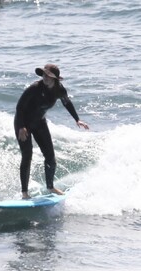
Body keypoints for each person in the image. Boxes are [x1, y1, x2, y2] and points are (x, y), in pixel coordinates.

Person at [14, 64, 89, 199]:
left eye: (49, 76)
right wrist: (21, 127)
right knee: (27, 155)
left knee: (50, 157)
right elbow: (19, 108)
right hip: (23, 124)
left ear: (55, 78)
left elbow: (67, 103)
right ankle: (24, 193)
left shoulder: (59, 89)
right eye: (44, 74)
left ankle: (50, 187)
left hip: (39, 123)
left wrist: (77, 119)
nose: (45, 77)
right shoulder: (34, 88)